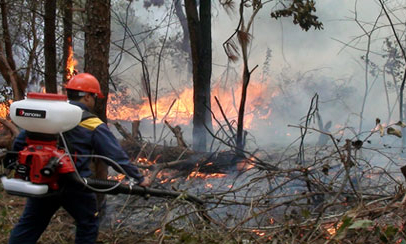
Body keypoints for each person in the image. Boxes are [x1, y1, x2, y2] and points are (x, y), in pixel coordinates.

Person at [5, 73, 151, 244]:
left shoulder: (47, 115)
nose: (95, 101)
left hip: (43, 181)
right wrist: (138, 178)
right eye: (94, 97)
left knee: (30, 225)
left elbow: (20, 143)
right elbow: (116, 156)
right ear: (88, 97)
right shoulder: (91, 123)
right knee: (87, 224)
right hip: (75, 185)